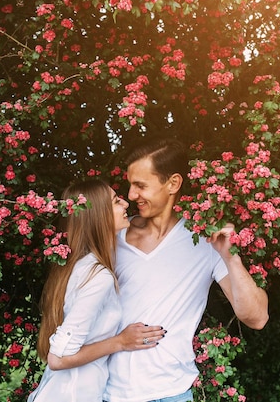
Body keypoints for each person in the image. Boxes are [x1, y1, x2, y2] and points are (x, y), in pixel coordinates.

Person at [104, 138, 269, 402]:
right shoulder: (113, 236)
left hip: (172, 394)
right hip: (108, 392)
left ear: (173, 184)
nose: (131, 195)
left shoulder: (205, 241)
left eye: (140, 185)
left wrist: (231, 257)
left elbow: (256, 318)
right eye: (130, 185)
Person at [28, 179, 166, 402]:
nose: (125, 203)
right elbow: (58, 358)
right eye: (115, 201)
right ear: (99, 215)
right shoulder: (98, 276)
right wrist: (120, 342)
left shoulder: (80, 265)